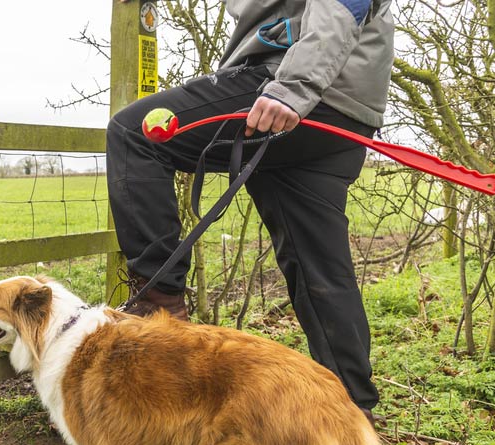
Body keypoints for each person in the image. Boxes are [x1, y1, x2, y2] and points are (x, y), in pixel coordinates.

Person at [107, 0, 394, 421]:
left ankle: (160, 311)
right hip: (344, 103)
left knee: (135, 133)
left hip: (299, 86)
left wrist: (293, 88)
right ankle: (353, 418)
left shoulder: (296, 81)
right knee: (319, 268)